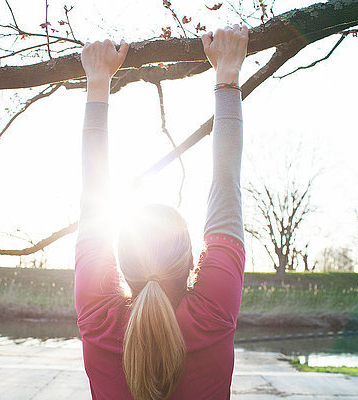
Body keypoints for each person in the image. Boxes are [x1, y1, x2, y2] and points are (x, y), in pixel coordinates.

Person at [75, 24, 248, 400]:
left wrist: (98, 82)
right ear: (191, 262)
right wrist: (227, 75)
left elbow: (93, 191)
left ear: (122, 263)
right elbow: (226, 181)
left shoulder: (100, 318)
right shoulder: (211, 312)